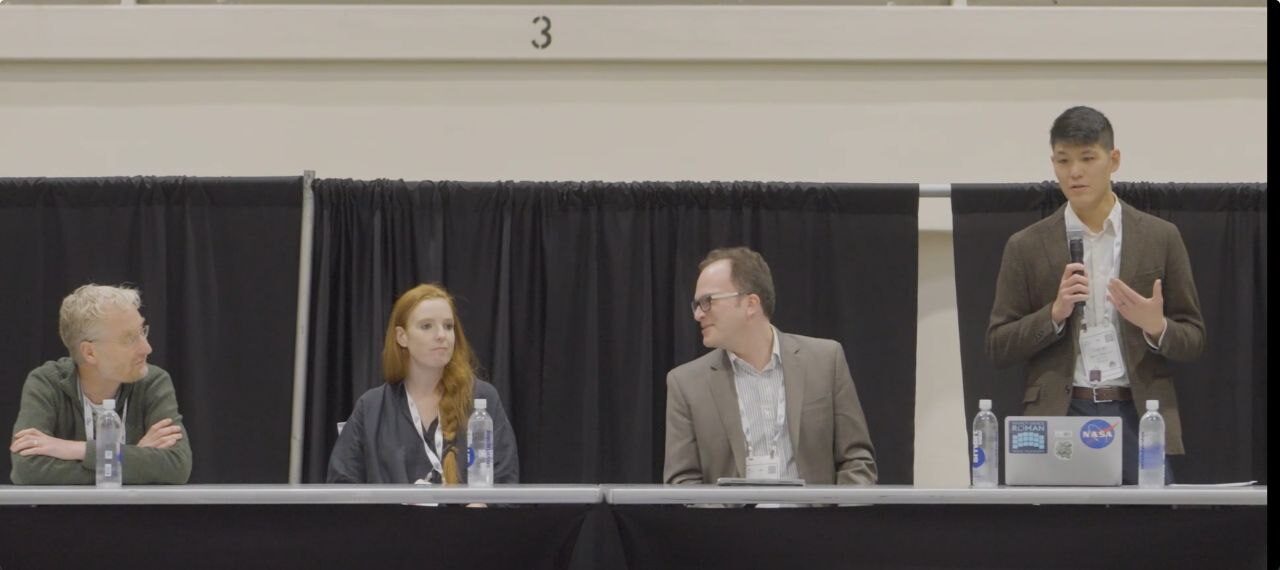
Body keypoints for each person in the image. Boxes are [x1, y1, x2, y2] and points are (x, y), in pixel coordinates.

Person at [987, 106, 1205, 484]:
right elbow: (997, 346)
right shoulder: (1025, 245)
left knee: (1150, 534)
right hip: (1060, 412)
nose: (1074, 172)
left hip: (1139, 411)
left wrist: (1157, 328)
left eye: (1088, 158)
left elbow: (1194, 340)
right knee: (1060, 536)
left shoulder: (1160, 236)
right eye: (1063, 160)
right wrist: (1053, 314)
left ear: (1113, 159)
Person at [663, 247, 877, 485]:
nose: (698, 315)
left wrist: (837, 520)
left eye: (707, 302)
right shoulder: (686, 383)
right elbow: (682, 482)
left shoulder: (825, 361)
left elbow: (857, 461)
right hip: (730, 521)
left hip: (814, 518)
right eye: (697, 304)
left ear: (751, 303)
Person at [328, 283, 519, 484]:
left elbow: (505, 478)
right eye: (426, 326)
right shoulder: (371, 407)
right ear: (402, 337)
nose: (441, 335)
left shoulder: (482, 398)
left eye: (448, 326)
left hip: (465, 516)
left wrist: (482, 506)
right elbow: (342, 484)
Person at [10, 284, 191, 484]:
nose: (147, 348)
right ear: (89, 352)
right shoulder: (47, 382)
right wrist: (133, 456)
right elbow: (28, 471)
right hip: (65, 515)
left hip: (138, 515)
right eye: (129, 339)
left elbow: (176, 466)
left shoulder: (153, 381)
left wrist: (74, 449)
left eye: (142, 331)